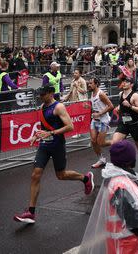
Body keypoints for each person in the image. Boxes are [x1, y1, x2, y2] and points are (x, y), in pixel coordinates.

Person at [14, 85, 94, 224]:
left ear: (51, 93)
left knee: (61, 175)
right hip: (44, 145)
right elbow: (45, 128)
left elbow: (70, 126)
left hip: (57, 145)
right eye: (40, 94)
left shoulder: (59, 107)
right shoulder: (42, 107)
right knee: (35, 175)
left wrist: (50, 133)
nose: (40, 97)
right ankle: (31, 212)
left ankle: (85, 179)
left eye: (43, 94)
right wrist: (37, 134)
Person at [78, 141, 138, 254]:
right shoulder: (121, 186)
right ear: (131, 160)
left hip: (122, 245)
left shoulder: (117, 178)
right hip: (129, 247)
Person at [112, 77, 138, 177]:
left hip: (135, 124)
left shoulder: (135, 96)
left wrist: (130, 106)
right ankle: (121, 166)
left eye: (127, 82)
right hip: (124, 124)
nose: (124, 83)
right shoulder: (120, 94)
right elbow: (121, 107)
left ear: (131, 85)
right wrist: (118, 109)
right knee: (115, 143)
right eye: (123, 82)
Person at [88, 77, 114, 169]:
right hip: (94, 120)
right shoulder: (92, 93)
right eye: (89, 83)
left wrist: (99, 113)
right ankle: (101, 159)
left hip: (103, 121)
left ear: (96, 84)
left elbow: (111, 106)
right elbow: (96, 105)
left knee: (101, 143)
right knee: (93, 141)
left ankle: (115, 142)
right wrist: (89, 107)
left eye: (91, 83)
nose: (89, 85)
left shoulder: (101, 94)